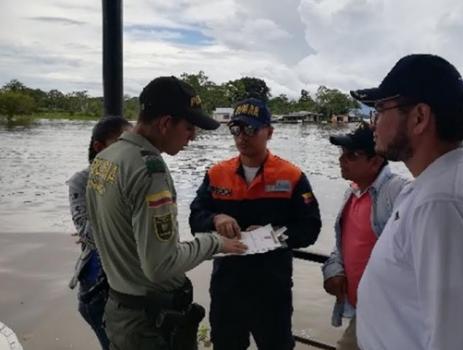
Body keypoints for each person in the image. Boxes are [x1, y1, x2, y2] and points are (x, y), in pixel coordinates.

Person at [351, 54, 463, 350]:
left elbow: (460, 341)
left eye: (380, 110)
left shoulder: (444, 201)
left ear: (419, 117)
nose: (373, 124)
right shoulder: (440, 185)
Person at [86, 76, 247, 350]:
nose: (193, 137)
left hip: (118, 310)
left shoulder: (105, 159)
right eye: (188, 127)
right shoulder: (150, 171)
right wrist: (214, 242)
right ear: (164, 123)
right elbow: (160, 265)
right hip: (149, 324)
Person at [189, 97, 322, 350]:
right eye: (236, 129)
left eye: (251, 129)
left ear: (269, 132)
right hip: (227, 287)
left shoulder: (291, 176)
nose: (242, 136)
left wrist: (273, 236)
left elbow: (310, 227)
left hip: (272, 289)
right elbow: (196, 216)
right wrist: (216, 218)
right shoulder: (217, 174)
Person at [322, 122, 407, 350]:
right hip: (364, 312)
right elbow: (343, 246)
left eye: (352, 155)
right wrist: (334, 269)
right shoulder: (352, 192)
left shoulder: (399, 193)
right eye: (342, 153)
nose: (342, 159)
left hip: (390, 316)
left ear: (376, 160)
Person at [67, 116, 132, 350]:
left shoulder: (133, 176)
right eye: (121, 143)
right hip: (96, 286)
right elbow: (87, 232)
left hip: (128, 283)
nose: (128, 151)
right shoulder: (81, 181)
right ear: (99, 147)